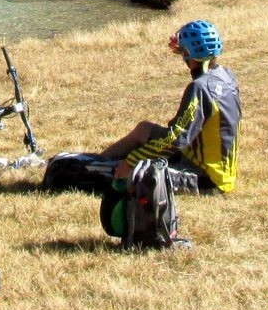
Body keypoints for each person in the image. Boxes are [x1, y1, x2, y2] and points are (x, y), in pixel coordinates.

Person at [101, 19, 240, 193]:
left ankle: (94, 170)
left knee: (141, 175)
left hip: (207, 179)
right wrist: (183, 49)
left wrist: (131, 161)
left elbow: (174, 139)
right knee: (144, 129)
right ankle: (99, 160)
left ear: (188, 53)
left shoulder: (200, 88)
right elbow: (202, 72)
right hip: (201, 161)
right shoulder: (226, 75)